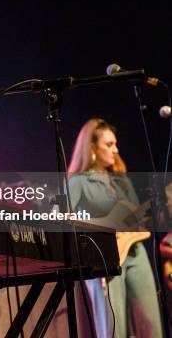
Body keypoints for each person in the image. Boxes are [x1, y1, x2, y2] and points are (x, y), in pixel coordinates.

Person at [68, 118, 163, 338]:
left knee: (150, 322)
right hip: (104, 257)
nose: (116, 150)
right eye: (109, 145)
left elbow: (136, 220)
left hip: (136, 253)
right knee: (113, 326)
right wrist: (105, 225)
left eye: (115, 144)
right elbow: (64, 217)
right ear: (91, 147)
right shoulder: (78, 182)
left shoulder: (122, 181)